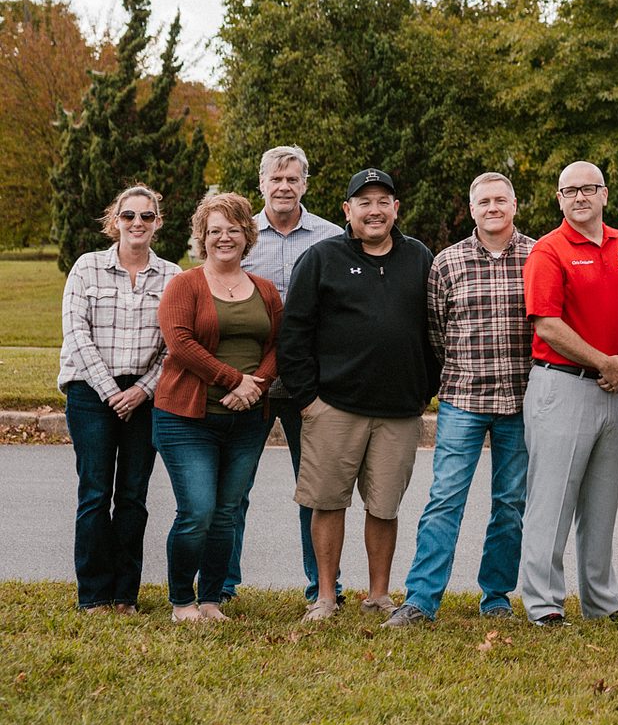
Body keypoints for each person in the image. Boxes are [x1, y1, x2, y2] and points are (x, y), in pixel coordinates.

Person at [277, 168, 439, 621]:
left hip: (400, 411)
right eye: (364, 202)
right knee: (328, 502)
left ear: (395, 209)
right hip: (333, 407)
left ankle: (379, 593)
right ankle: (326, 596)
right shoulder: (321, 258)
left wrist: (424, 389)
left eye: (383, 201)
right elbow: (294, 335)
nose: (374, 210)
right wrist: (308, 399)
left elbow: (434, 330)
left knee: (384, 505)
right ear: (347, 211)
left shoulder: (419, 257)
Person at [385, 172, 536, 627]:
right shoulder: (447, 263)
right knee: (445, 498)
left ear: (514, 205)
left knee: (510, 503)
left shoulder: (538, 256)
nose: (492, 208)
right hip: (462, 399)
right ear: (472, 210)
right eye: (483, 201)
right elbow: (436, 332)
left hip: (522, 400)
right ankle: (421, 600)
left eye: (500, 200)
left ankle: (496, 596)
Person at [519, 161, 618, 626]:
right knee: (551, 502)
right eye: (569, 191)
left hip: (615, 387)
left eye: (589, 189)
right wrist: (604, 362)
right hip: (563, 384)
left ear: (605, 194)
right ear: (559, 199)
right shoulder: (548, 251)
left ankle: (602, 603)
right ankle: (544, 604)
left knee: (602, 503)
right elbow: (547, 324)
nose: (580, 198)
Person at [153, 191, 281, 622]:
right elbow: (181, 344)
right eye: (214, 231)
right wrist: (234, 380)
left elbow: (279, 344)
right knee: (197, 512)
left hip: (247, 421)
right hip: (186, 418)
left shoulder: (264, 290)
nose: (224, 238)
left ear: (248, 236)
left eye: (233, 230)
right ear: (201, 238)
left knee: (226, 513)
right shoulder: (184, 285)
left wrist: (256, 386)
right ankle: (181, 602)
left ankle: (210, 600)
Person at [58, 184, 180, 614]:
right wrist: (112, 393)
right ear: (116, 220)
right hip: (91, 393)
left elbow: (175, 345)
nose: (137, 224)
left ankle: (125, 594)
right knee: (94, 492)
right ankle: (93, 595)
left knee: (132, 496)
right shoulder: (87, 268)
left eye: (147, 217)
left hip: (145, 398)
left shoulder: (173, 276)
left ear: (157, 223)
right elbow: (77, 335)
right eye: (129, 216)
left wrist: (141, 391)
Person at [229, 144, 343, 604]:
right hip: (248, 384)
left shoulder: (332, 237)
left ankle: (322, 588)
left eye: (292, 179)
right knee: (232, 491)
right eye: (276, 179)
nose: (284, 186)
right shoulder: (239, 235)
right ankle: (221, 585)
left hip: (309, 387)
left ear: (305, 184)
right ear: (262, 184)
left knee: (315, 492)